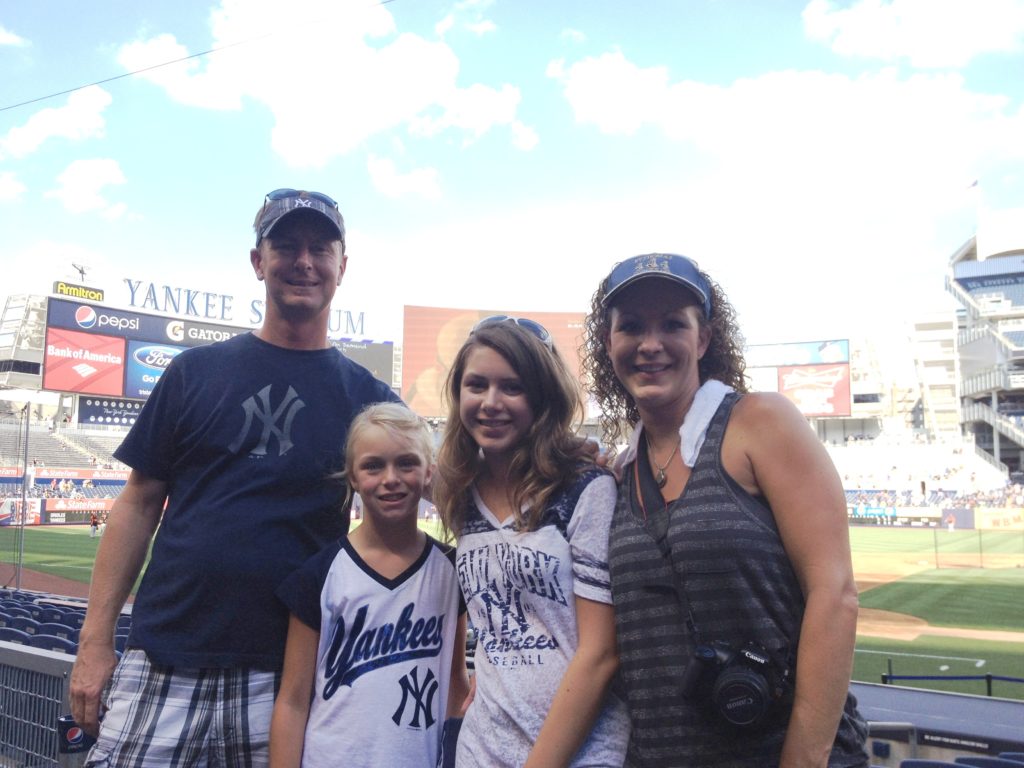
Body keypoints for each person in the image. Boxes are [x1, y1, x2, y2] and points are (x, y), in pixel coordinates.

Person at [69, 189, 400, 767]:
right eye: (286, 246)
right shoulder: (193, 372)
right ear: (257, 262)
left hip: (289, 676)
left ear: (342, 267)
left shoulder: (369, 400)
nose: (304, 261)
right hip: (166, 658)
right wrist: (95, 642)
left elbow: (444, 483)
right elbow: (139, 505)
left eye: (320, 248)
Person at [581, 253, 868, 768]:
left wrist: (802, 761)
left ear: (704, 339)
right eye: (631, 327)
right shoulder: (621, 473)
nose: (650, 344)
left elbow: (836, 594)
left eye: (673, 324)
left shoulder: (760, 422)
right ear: (608, 344)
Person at [433, 317, 629, 768]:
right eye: (476, 385)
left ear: (542, 396)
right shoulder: (460, 490)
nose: (490, 403)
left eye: (512, 387)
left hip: (581, 752)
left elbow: (600, 655)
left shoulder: (586, 487)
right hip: (481, 748)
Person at [270, 402, 470, 768]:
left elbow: (456, 682)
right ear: (352, 476)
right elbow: (293, 699)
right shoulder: (321, 573)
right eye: (373, 465)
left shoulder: (454, 569)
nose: (390, 478)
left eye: (406, 463)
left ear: (429, 473)